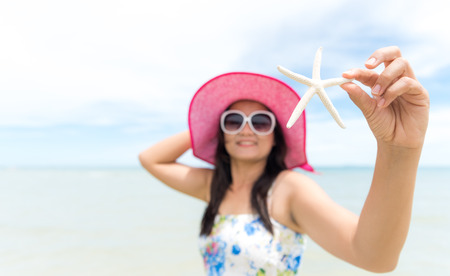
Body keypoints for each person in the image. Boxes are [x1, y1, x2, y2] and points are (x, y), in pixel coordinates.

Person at [139, 46, 429, 275]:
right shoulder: (213, 186)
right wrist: (208, 124)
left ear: (276, 136)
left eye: (262, 121)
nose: (247, 129)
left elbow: (375, 257)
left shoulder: (289, 189)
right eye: (234, 120)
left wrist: (399, 151)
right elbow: (150, 159)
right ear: (221, 131)